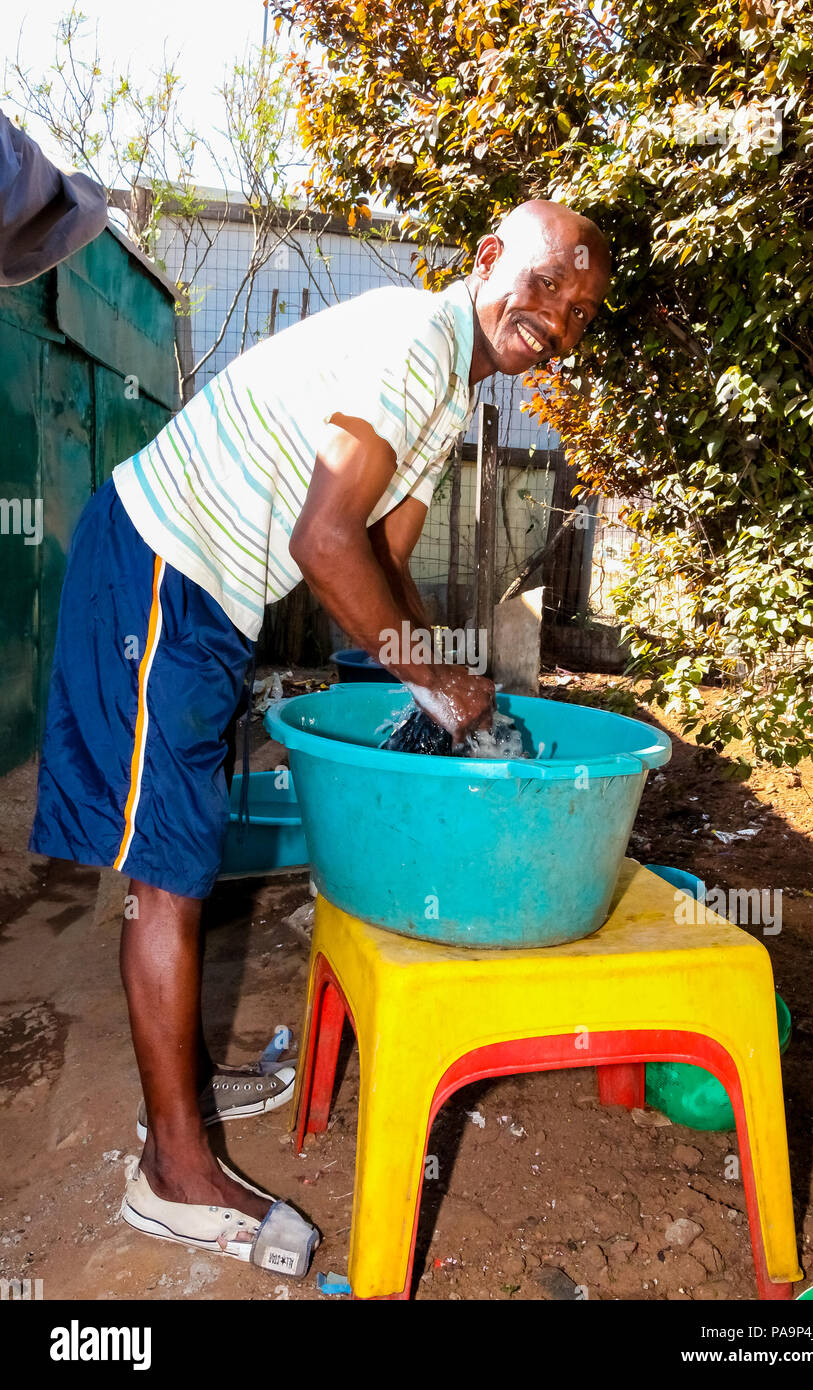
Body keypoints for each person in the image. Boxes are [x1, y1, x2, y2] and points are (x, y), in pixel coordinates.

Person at [29, 198, 611, 1274]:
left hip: (204, 593)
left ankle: (182, 1090)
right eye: (541, 286)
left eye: (578, 311)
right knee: (169, 872)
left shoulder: (444, 388)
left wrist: (446, 688)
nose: (556, 321)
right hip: (160, 566)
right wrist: (434, 680)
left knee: (183, 857)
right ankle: (174, 1170)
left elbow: (382, 563)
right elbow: (323, 537)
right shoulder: (409, 340)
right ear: (486, 261)